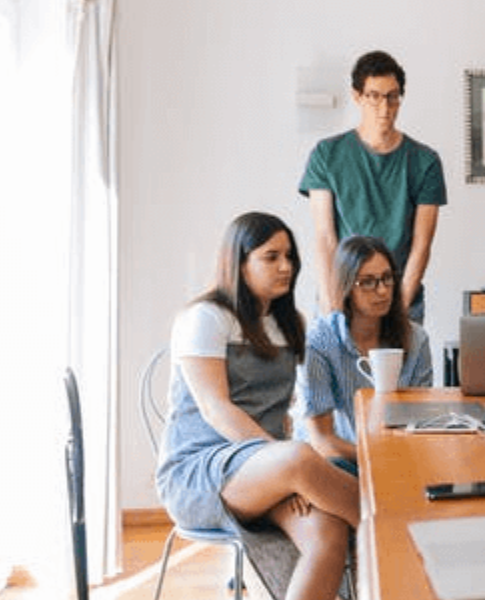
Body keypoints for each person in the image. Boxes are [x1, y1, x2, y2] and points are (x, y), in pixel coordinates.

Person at [156, 212, 357, 600]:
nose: (286, 266)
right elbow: (217, 409)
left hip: (265, 469)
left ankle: (386, 527)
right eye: (271, 256)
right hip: (199, 471)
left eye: (290, 256)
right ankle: (398, 524)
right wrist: (285, 465)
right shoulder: (205, 318)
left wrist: (285, 469)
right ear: (239, 261)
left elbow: (282, 413)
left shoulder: (289, 323)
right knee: (301, 458)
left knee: (328, 533)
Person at [300, 50, 446, 323]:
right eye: (374, 96)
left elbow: (421, 245)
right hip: (342, 292)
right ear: (357, 96)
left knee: (400, 366)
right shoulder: (327, 154)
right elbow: (325, 237)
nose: (384, 107)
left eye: (392, 96)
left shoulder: (425, 162)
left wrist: (398, 311)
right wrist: (332, 305)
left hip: (400, 293)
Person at [294, 236, 433, 475]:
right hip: (335, 460)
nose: (382, 290)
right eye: (367, 282)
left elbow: (420, 421)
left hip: (397, 456)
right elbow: (322, 440)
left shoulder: (416, 338)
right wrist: (376, 456)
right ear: (346, 287)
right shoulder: (318, 341)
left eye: (387, 278)